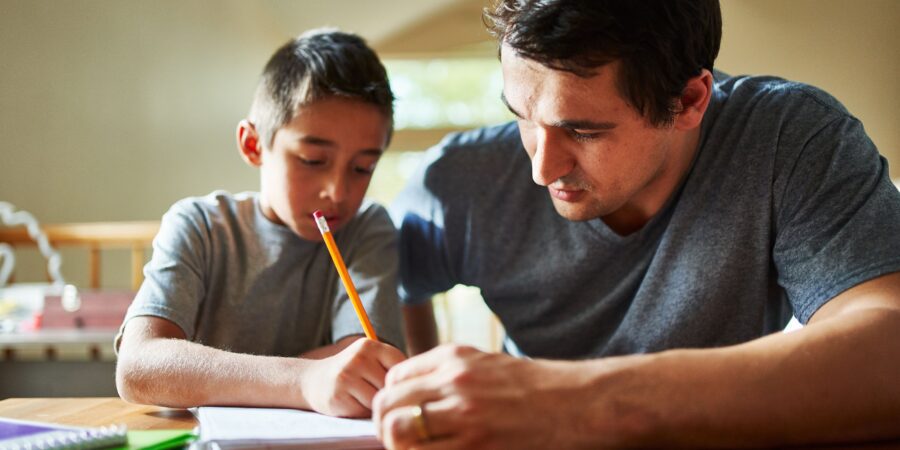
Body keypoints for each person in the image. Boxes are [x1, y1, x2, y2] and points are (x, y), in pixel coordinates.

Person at [374, 1, 900, 448]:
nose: (542, 168)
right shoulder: (460, 180)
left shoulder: (789, 137)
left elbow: (888, 345)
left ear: (690, 100)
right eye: (521, 116)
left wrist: (568, 402)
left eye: (581, 130)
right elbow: (361, 294)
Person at [115, 28, 406, 418]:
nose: (337, 191)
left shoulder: (366, 228)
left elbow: (363, 365)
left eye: (362, 167)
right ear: (254, 145)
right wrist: (303, 381)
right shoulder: (200, 226)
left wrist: (213, 379)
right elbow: (139, 367)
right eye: (312, 160)